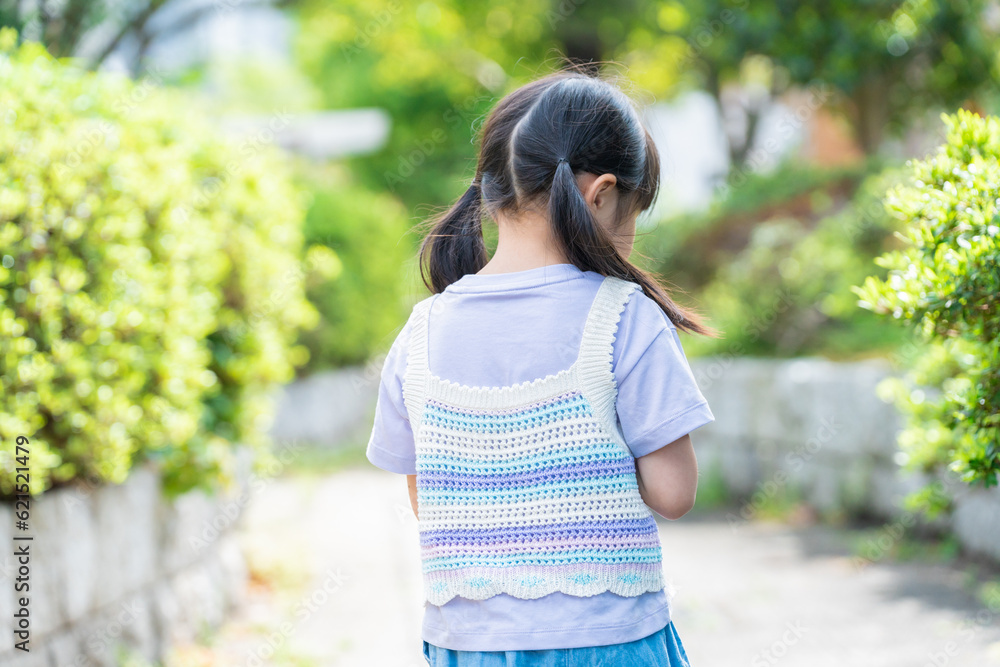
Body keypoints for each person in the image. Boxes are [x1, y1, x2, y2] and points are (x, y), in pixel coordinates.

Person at [366, 67, 719, 666]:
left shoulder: (420, 333)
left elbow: (430, 499)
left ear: (492, 191)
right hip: (606, 640)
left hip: (469, 645)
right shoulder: (623, 316)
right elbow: (674, 492)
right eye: (633, 211)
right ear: (601, 195)